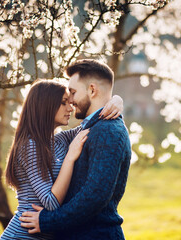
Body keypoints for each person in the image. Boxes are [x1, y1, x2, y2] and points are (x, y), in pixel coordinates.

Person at [20, 59, 132, 239]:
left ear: (92, 90)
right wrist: (116, 100)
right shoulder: (92, 128)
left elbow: (94, 196)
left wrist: (48, 221)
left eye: (72, 92)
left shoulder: (108, 131)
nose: (70, 102)